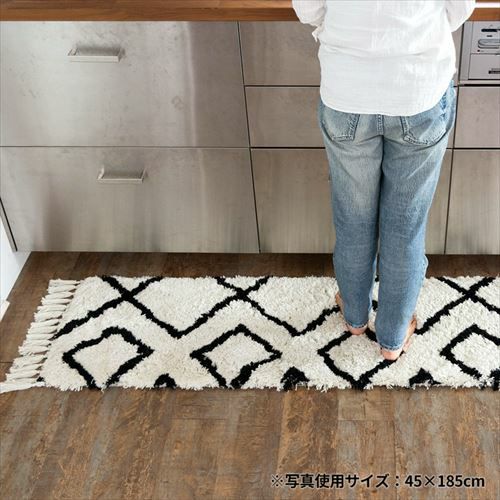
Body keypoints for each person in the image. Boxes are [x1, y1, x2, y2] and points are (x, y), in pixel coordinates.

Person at [292, 0, 476, 361]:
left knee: (353, 218)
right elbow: (459, 8)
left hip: (348, 92)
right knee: (405, 225)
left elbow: (308, 8)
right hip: (418, 88)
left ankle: (355, 317)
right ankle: (392, 336)